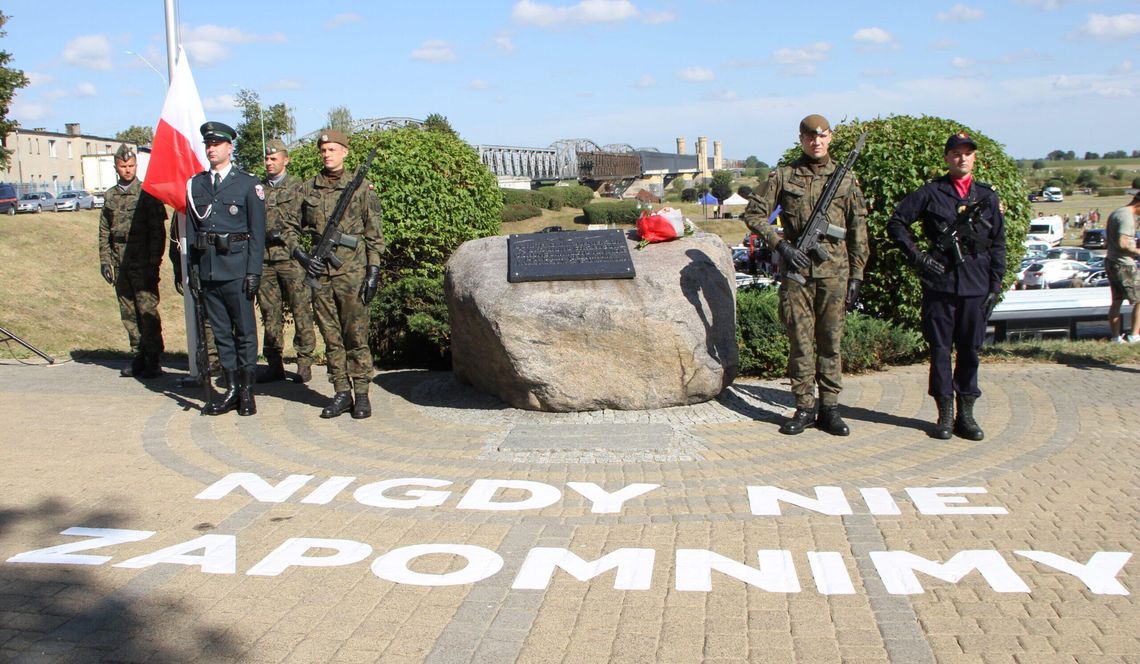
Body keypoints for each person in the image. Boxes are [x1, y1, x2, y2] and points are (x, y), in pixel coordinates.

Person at [742, 114, 869, 436]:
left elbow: (857, 229)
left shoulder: (845, 179)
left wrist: (857, 275)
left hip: (834, 274)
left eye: (822, 136)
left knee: (831, 342)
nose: (817, 142)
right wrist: (780, 246)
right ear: (801, 139)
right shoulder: (784, 176)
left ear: (830, 138)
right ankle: (804, 407)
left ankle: (830, 408)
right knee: (800, 343)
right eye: (810, 137)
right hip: (797, 273)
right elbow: (754, 213)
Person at [886, 131, 1006, 440]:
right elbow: (897, 223)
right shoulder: (930, 192)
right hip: (940, 284)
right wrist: (918, 258)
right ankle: (945, 414)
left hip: (976, 285)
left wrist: (995, 285)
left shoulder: (987, 197)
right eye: (956, 153)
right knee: (940, 351)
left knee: (970, 352)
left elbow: (997, 244)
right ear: (946, 158)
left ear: (974, 157)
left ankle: (966, 415)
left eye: (967, 152)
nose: (961, 157)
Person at [290, 130, 383, 419]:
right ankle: (341, 392)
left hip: (352, 274)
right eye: (324, 150)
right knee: (331, 338)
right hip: (321, 275)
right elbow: (288, 227)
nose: (327, 154)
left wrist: (373, 270)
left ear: (345, 152)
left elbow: (373, 234)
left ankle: (362, 394)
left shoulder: (360, 188)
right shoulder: (307, 189)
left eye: (333, 149)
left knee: (356, 336)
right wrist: (301, 255)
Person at [186, 121, 266, 416]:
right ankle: (230, 389)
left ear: (229, 148)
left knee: (244, 332)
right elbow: (193, 232)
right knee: (221, 333)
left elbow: (258, 232)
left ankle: (246, 391)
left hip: (237, 269)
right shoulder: (196, 184)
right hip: (209, 270)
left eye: (217, 145)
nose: (211, 149)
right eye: (208, 145)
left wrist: (254, 272)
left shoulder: (247, 183)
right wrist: (192, 270)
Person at [99, 144, 169, 379]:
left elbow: (158, 232)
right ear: (116, 167)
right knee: (128, 311)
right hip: (121, 262)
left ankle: (153, 358)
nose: (127, 170)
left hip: (143, 261)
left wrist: (154, 262)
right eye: (123, 166)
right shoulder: (110, 195)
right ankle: (138, 353)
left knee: (146, 309)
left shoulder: (147, 193)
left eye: (131, 166)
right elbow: (104, 231)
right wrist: (105, 260)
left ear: (136, 166)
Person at [256, 138, 316, 383]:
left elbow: (309, 219)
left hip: (291, 259)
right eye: (267, 159)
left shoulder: (298, 187)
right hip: (265, 259)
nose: (269, 163)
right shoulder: (258, 189)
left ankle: (304, 362)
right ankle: (274, 363)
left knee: (301, 310)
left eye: (274, 158)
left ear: (285, 160)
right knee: (270, 314)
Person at [1105, 193, 1140, 343]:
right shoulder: (1127, 217)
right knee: (1139, 300)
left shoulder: (1117, 212)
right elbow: (1123, 243)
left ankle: (1116, 337)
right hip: (1124, 264)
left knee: (1117, 301)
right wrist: (1138, 252)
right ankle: (1134, 336)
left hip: (1112, 261)